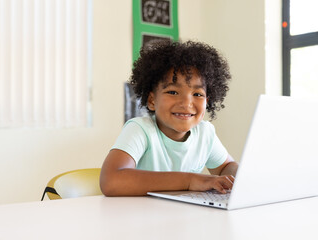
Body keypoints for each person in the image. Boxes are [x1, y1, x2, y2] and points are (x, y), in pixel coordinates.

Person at [100, 40, 238, 196]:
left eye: (197, 94)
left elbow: (227, 166)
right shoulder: (141, 130)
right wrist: (190, 181)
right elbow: (111, 181)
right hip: (140, 216)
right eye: (173, 92)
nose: (186, 103)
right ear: (152, 100)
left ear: (207, 101)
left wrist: (240, 176)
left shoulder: (205, 133)